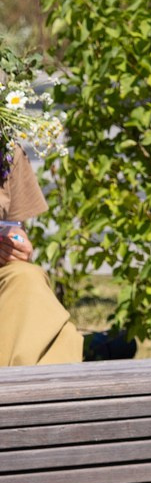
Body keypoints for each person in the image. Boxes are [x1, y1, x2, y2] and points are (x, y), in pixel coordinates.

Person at [0, 141, 81, 368]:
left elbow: (14, 228)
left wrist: (15, 244)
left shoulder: (6, 150)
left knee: (29, 277)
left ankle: (45, 391)